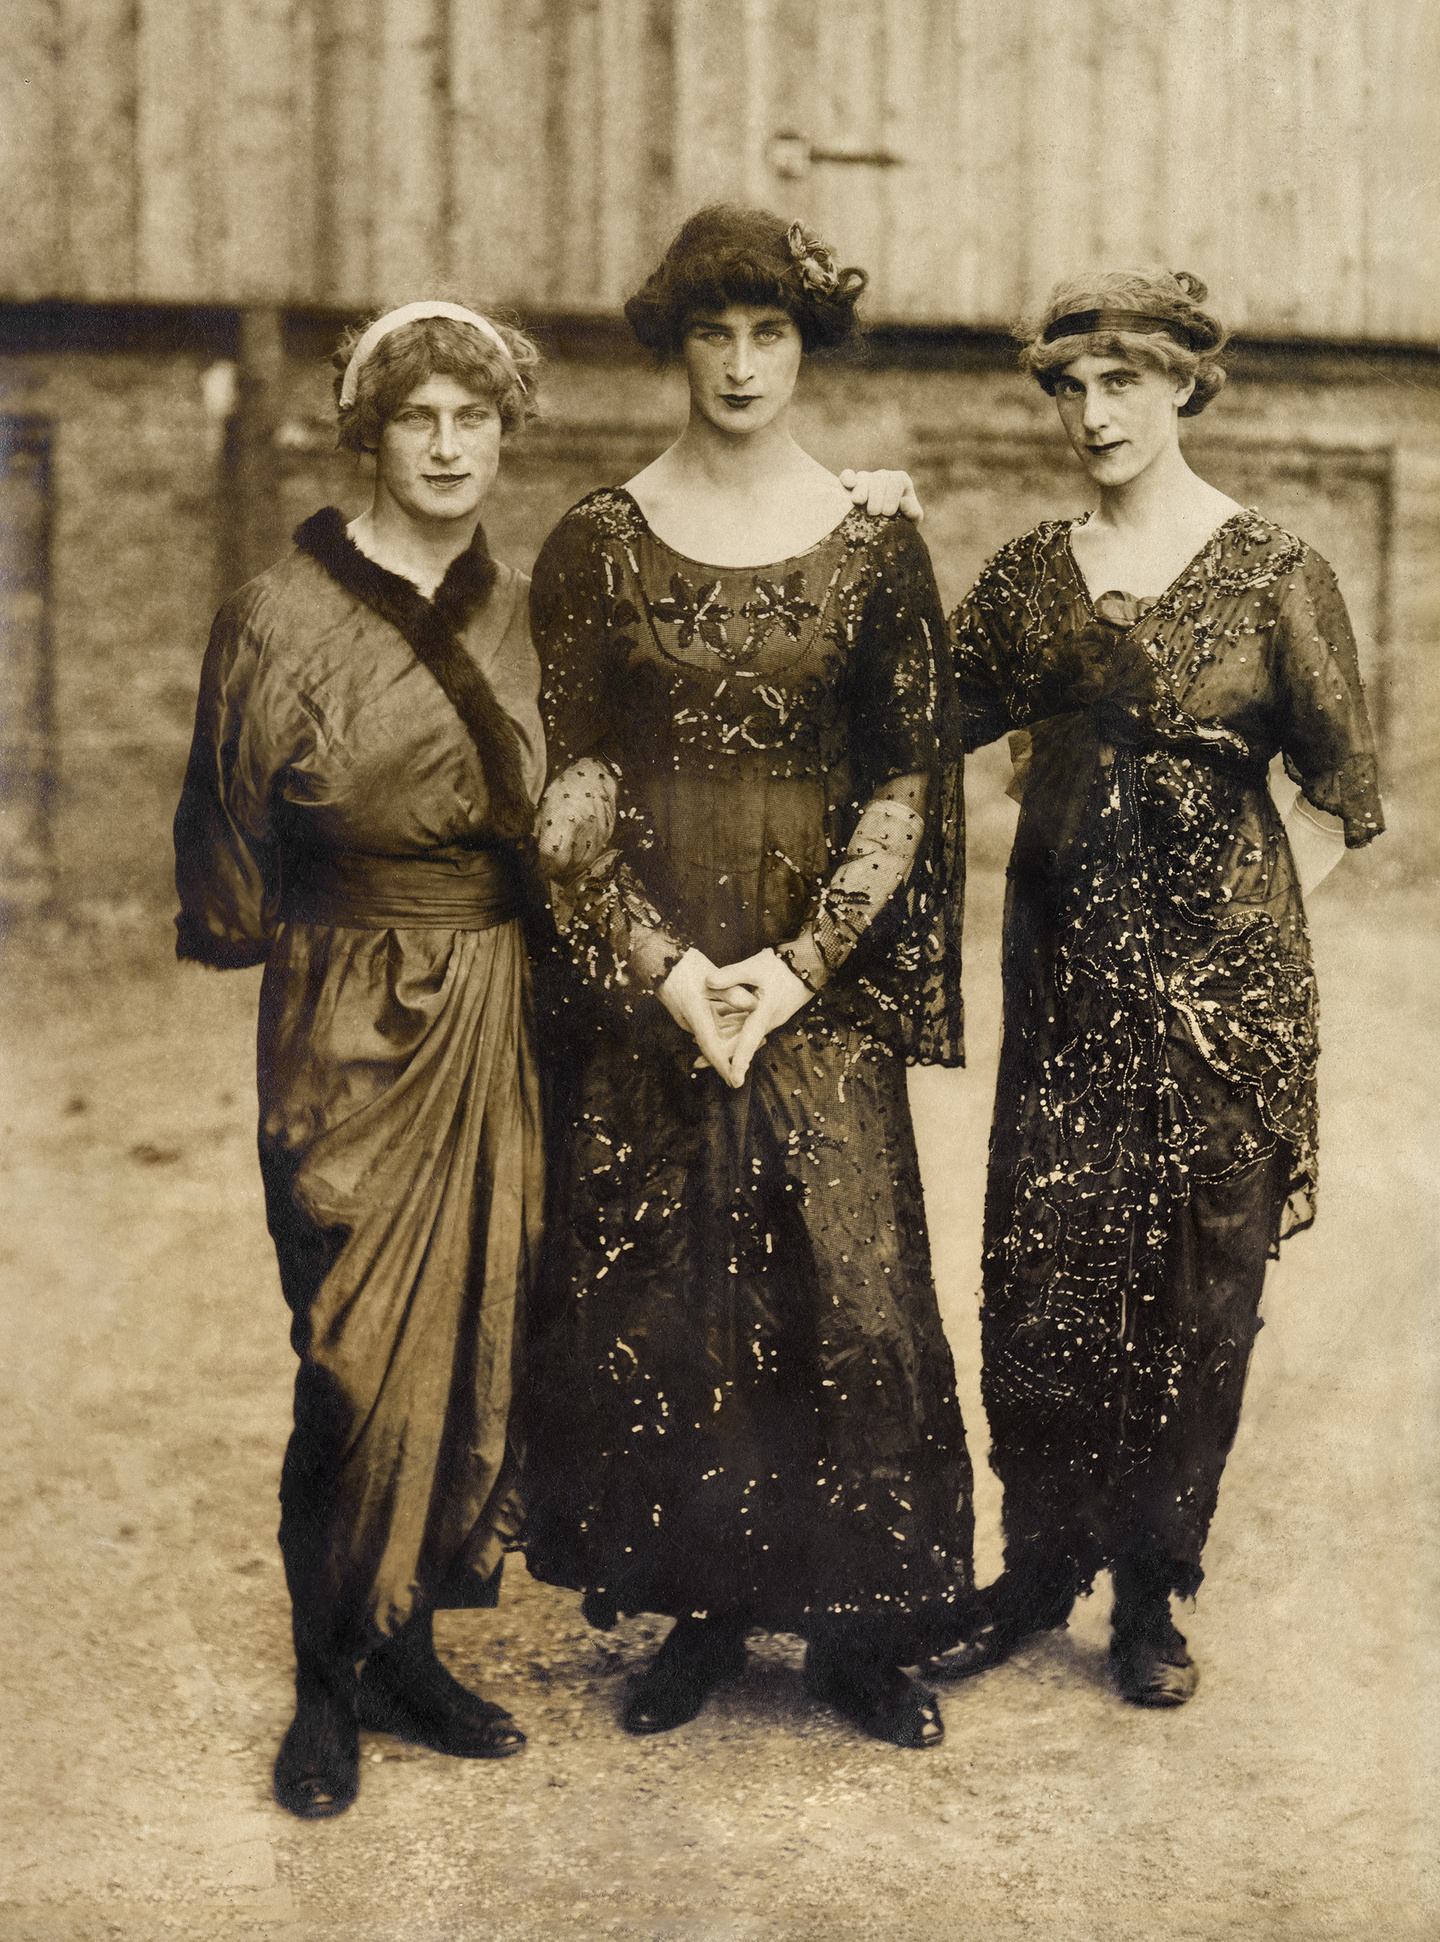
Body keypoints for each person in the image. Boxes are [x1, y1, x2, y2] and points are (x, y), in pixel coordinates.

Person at [521, 206, 974, 1750]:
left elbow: (906, 776)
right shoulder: (596, 541)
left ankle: (858, 1629)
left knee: (846, 1285)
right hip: (665, 968)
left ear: (804, 345)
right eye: (712, 330)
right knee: (681, 1289)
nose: (739, 362)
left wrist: (800, 965)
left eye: (769, 331)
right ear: (676, 343)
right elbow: (576, 778)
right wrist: (660, 968)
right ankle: (702, 1605)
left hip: (809, 977)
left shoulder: (874, 541)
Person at [926, 269, 1384, 1705]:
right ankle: (1036, 1567)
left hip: (1221, 1012)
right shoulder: (1030, 579)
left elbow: (1342, 792)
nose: (1095, 414)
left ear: (1185, 384)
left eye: (1123, 381)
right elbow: (914, 715)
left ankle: (1147, 1596)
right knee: (1048, 1268)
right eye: (1071, 387)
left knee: (1198, 1286)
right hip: (1065, 992)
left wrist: (1238, 928)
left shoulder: (1277, 572)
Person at [173, 300, 550, 1817]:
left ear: (503, 436)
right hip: (345, 1005)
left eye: (474, 420)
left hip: (497, 996)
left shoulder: (526, 610)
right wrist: (286, 926)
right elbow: (227, 842)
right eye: (418, 421)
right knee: (348, 1347)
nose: (448, 448)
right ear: (371, 436)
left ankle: (406, 1650)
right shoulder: (276, 613)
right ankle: (323, 1683)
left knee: (468, 1331)